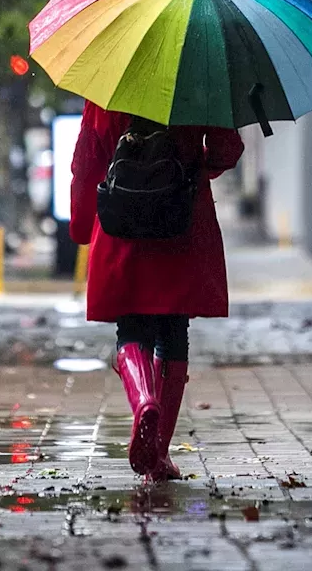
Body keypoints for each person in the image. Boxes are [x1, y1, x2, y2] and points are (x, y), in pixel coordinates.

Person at [69, 100, 244, 481]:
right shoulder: (197, 83)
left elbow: (86, 160)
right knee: (173, 332)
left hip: (121, 220)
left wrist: (82, 223)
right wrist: (197, 165)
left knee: (130, 328)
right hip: (179, 217)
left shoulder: (106, 88)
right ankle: (159, 453)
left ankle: (143, 401)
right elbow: (227, 149)